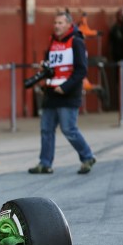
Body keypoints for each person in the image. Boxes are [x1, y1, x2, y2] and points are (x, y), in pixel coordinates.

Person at [29, 11, 96, 175]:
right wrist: (44, 66)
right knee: (46, 129)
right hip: (52, 92)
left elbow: (81, 71)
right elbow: (51, 64)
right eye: (55, 23)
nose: (57, 26)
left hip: (68, 93)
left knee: (69, 129)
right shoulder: (52, 40)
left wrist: (65, 87)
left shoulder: (77, 42)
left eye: (60, 23)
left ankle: (87, 157)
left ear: (69, 24)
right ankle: (45, 163)